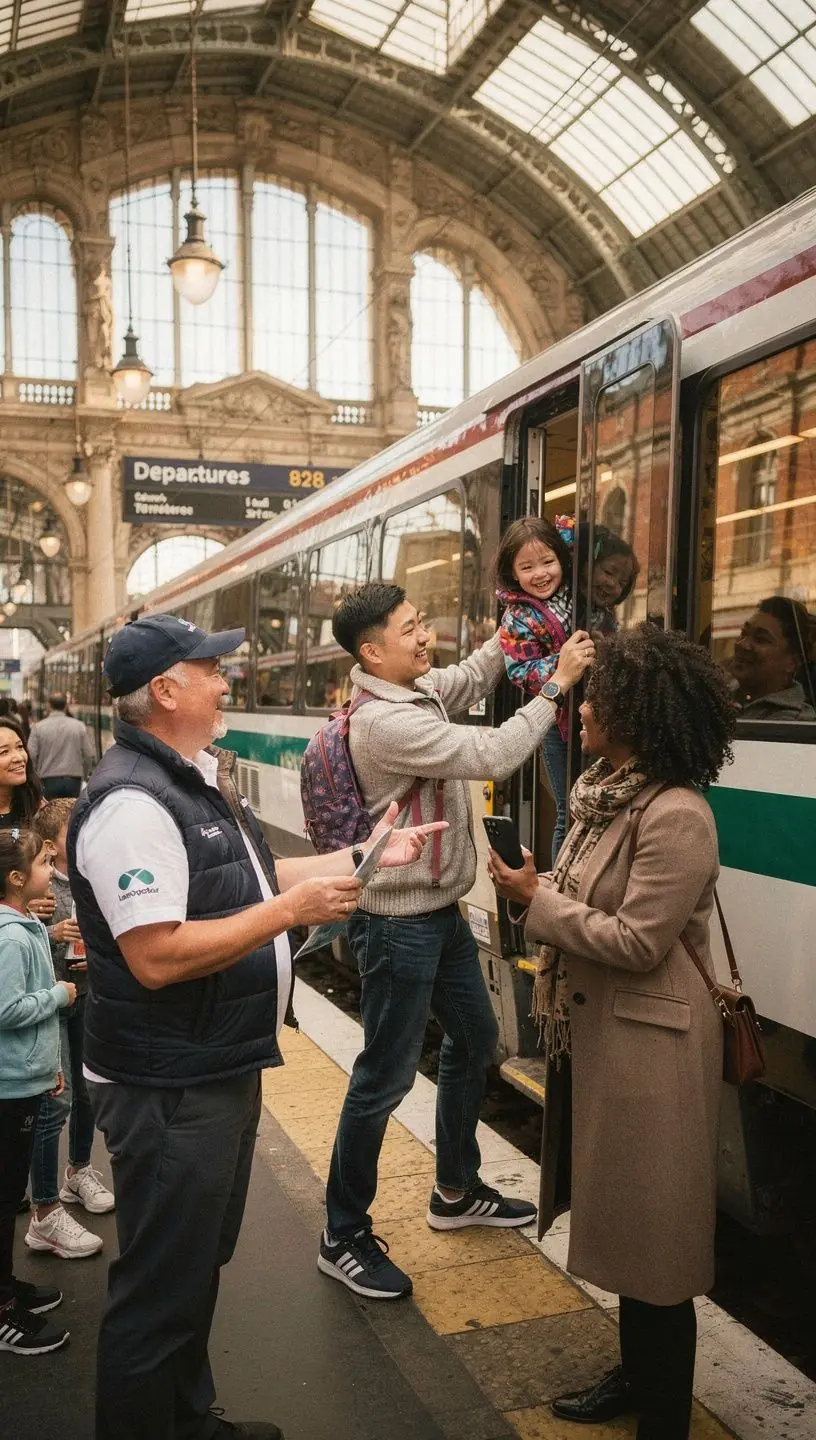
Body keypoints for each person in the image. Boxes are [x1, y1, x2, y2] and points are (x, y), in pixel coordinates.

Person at [67, 612, 445, 1440]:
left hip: (211, 1067)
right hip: (169, 1083)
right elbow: (157, 954)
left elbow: (253, 873)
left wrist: (370, 858)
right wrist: (287, 912)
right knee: (159, 1290)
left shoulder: (188, 778)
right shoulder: (134, 803)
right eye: (210, 667)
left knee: (194, 1270)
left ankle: (189, 1421)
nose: (227, 677)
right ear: (167, 690)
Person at [488, 626, 736, 1440]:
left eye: (596, 696)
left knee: (656, 1244)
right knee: (631, 1230)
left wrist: (538, 900)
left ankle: (664, 1415)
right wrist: (537, 883)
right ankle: (636, 1376)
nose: (582, 708)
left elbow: (638, 941)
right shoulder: (605, 796)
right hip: (612, 1040)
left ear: (635, 712)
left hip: (654, 1048)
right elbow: (582, 892)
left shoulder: (677, 816)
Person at [317, 582, 594, 1301]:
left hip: (436, 915)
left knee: (477, 1042)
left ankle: (455, 1189)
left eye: (420, 621)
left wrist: (519, 629)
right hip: (397, 924)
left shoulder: (415, 690)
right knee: (383, 1078)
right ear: (371, 651)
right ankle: (341, 1232)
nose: (423, 635)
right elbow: (497, 752)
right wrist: (556, 685)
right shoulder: (385, 723)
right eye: (409, 629)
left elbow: (471, 673)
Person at [25, 800, 112, 1263]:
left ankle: (78, 1171)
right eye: (73, 830)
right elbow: (25, 949)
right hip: (54, 1000)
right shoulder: (38, 890)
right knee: (54, 1101)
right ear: (50, 845)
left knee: (87, 1091)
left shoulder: (94, 875)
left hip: (87, 994)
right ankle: (44, 1208)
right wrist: (52, 931)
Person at [0, 826, 76, 1356]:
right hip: (8, 1089)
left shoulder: (24, 925)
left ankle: (5, 1289)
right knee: (3, 1199)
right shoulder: (8, 936)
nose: (52, 873)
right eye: (44, 865)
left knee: (7, 1198)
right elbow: (7, 1009)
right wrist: (59, 994)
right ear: (16, 877)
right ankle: (2, 1310)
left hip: (22, 1081)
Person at [496, 515, 575, 865]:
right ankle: (561, 891)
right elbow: (521, 672)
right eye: (527, 567)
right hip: (557, 726)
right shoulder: (515, 619)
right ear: (513, 573)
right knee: (568, 812)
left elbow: (581, 533)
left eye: (548, 561)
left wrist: (567, 525)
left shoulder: (576, 588)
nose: (540, 574)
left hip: (599, 715)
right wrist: (565, 662)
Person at [728, 595, 815, 721]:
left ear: (792, 662)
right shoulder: (722, 694)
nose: (742, 644)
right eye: (744, 633)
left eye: (761, 639)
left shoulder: (793, 724)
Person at [27, 693, 95, 800]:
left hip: (48, 780)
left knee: (49, 814)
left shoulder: (38, 727)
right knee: (70, 813)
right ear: (66, 706)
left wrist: (34, 777)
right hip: (73, 780)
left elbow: (31, 755)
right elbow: (89, 754)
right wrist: (85, 774)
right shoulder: (79, 726)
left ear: (49, 705)